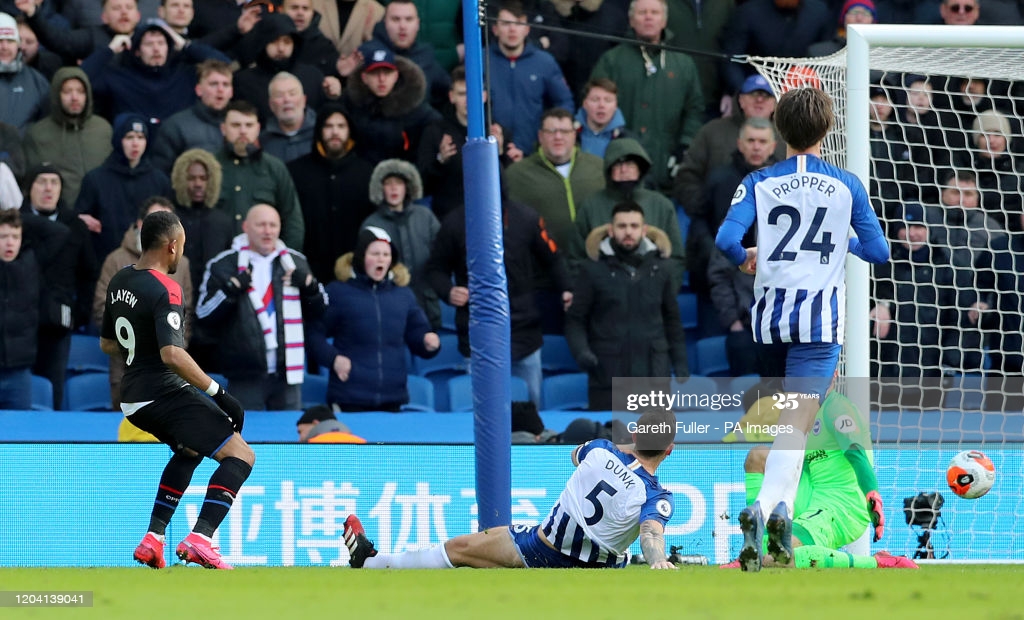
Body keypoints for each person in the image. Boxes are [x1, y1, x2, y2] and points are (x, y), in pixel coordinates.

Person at [714, 87, 889, 572]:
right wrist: (844, 238)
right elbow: (879, 253)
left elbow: (726, 239)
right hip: (818, 325)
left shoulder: (759, 181)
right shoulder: (847, 185)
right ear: (827, 131)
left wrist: (747, 256)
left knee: (781, 427)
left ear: (778, 129)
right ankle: (773, 510)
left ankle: (770, 513)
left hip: (770, 322)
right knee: (796, 428)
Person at [100, 209, 253, 570]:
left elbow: (108, 344)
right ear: (172, 246)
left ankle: (153, 539)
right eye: (181, 245)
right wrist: (219, 393)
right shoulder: (166, 287)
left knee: (189, 450)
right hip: (161, 391)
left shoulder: (120, 281)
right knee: (241, 455)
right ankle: (201, 539)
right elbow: (172, 353)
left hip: (132, 397)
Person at [343, 408, 679, 570]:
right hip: (600, 568)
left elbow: (574, 456)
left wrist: (622, 447)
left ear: (634, 435)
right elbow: (651, 532)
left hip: (541, 551)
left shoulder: (600, 449)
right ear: (670, 450)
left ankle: (371, 564)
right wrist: (658, 561)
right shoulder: (657, 496)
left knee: (458, 549)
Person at [196, 204, 326, 410]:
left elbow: (320, 311)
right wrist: (231, 289)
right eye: (261, 225)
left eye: (273, 225)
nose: (268, 231)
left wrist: (310, 288)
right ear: (246, 227)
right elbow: (203, 314)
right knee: (246, 436)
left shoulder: (295, 262)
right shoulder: (224, 263)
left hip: (287, 372)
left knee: (288, 437)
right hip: (245, 372)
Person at [566, 202, 688, 410]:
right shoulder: (591, 270)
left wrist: (680, 362)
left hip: (654, 374)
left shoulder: (662, 268)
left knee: (654, 440)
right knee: (608, 439)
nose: (628, 232)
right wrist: (582, 352)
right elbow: (575, 319)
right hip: (608, 374)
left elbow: (672, 319)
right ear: (611, 230)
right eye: (622, 226)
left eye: (634, 225)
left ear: (644, 230)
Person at [309, 226, 439, 412]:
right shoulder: (338, 292)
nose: (381, 259)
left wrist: (428, 341)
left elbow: (417, 333)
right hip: (349, 398)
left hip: (393, 399)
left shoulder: (404, 295)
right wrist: (334, 359)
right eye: (375, 253)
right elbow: (314, 334)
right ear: (361, 257)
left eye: (386, 254)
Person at [589, 0, 704, 191]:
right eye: (642, 13)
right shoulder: (612, 60)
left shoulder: (683, 64)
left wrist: (684, 146)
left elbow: (695, 109)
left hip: (666, 163)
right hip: (621, 164)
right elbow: (593, 104)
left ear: (664, 20)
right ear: (631, 20)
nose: (648, 17)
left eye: (654, 12)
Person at [93, 197, 193, 409]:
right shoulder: (116, 260)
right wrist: (143, 345)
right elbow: (102, 307)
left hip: (171, 370)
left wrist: (174, 349)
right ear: (140, 224)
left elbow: (187, 314)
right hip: (127, 369)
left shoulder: (182, 264)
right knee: (129, 437)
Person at [287, 103, 375, 283]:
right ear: (319, 130)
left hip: (355, 270)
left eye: (341, 126)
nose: (335, 132)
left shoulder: (367, 172)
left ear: (350, 130)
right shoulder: (296, 171)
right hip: (309, 269)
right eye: (328, 126)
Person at [75, 113, 173, 265]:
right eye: (129, 137)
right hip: (105, 261)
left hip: (150, 263)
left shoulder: (159, 180)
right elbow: (79, 218)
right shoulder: (95, 179)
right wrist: (81, 220)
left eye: (141, 137)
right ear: (118, 140)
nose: (135, 143)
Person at [360, 158, 440, 329]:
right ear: (380, 188)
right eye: (388, 183)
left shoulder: (425, 217)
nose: (394, 188)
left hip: (427, 303)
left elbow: (441, 257)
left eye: (399, 182)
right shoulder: (371, 224)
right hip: (388, 306)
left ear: (408, 187)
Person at [0, 208, 68, 409]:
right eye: (3, 236)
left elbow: (60, 232)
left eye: (15, 236)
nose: (10, 242)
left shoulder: (32, 261)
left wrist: (19, 216)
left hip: (19, 372)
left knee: (19, 436)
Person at [214, 100, 304, 250]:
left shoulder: (274, 168)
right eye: (236, 125)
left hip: (265, 260)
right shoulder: (209, 167)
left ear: (258, 129)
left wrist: (284, 260)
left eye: (249, 125)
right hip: (217, 258)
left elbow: (292, 221)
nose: (243, 131)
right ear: (223, 128)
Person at [486, 0, 574, 153]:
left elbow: (564, 102)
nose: (512, 29)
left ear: (527, 29)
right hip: (493, 152)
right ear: (495, 29)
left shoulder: (544, 62)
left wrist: (549, 133)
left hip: (535, 153)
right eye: (506, 24)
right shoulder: (481, 61)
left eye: (518, 24)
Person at [22, 67, 113, 207]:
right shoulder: (38, 134)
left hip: (103, 214)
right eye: (67, 91)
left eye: (80, 91)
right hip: (60, 219)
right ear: (56, 95)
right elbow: (32, 185)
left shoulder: (103, 129)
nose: (75, 97)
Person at [341, 42, 441, 165]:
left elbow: (437, 126)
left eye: (387, 73)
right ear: (364, 78)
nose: (381, 79)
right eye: (375, 73)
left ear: (395, 76)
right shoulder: (351, 105)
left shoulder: (413, 107)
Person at [149, 59, 234, 174]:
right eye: (213, 84)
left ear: (231, 92)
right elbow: (161, 174)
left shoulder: (242, 125)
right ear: (199, 90)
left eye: (225, 84)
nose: (220, 90)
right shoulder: (175, 126)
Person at [370, 0, 449, 110]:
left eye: (408, 19)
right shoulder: (369, 54)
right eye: (396, 19)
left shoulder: (426, 56)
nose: (402, 26)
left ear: (417, 24)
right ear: (384, 23)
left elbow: (449, 92)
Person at [0, 12, 49, 131]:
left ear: (18, 45)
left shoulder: (37, 82)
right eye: (0, 41)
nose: (5, 47)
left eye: (10, 41)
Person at [260, 72, 317, 164]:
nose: (287, 99)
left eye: (292, 93)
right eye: (279, 95)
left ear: (304, 100)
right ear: (271, 105)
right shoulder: (262, 142)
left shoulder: (321, 133)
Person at [296, 405, 366, 443]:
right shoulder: (362, 443)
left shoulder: (306, 450)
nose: (299, 440)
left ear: (315, 424)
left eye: (300, 432)